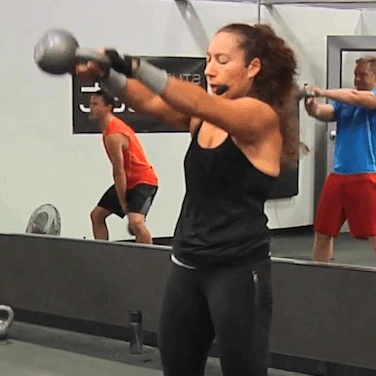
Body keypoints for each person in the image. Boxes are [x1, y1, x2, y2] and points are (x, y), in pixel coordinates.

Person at [75, 22, 299, 376]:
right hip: (188, 265)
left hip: (237, 269)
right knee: (177, 366)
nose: (210, 69)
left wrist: (134, 65)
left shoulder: (260, 117)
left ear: (253, 67)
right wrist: (108, 75)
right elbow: (149, 101)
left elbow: (199, 101)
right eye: (208, 58)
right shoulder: (201, 118)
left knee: (245, 370)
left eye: (222, 60)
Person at [305, 56, 376, 263]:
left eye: (363, 75)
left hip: (366, 175)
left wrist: (322, 91)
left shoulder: (370, 98)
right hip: (338, 176)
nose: (357, 80)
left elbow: (356, 97)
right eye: (355, 75)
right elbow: (324, 112)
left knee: (374, 233)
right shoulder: (345, 102)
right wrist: (311, 105)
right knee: (323, 232)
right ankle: (319, 276)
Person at [88, 89, 159, 244]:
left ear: (108, 107)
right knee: (97, 215)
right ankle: (103, 253)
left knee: (136, 222)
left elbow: (118, 172)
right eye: (90, 104)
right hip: (128, 180)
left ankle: (149, 261)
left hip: (144, 181)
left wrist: (124, 204)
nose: (91, 108)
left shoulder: (114, 134)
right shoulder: (108, 130)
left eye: (95, 104)